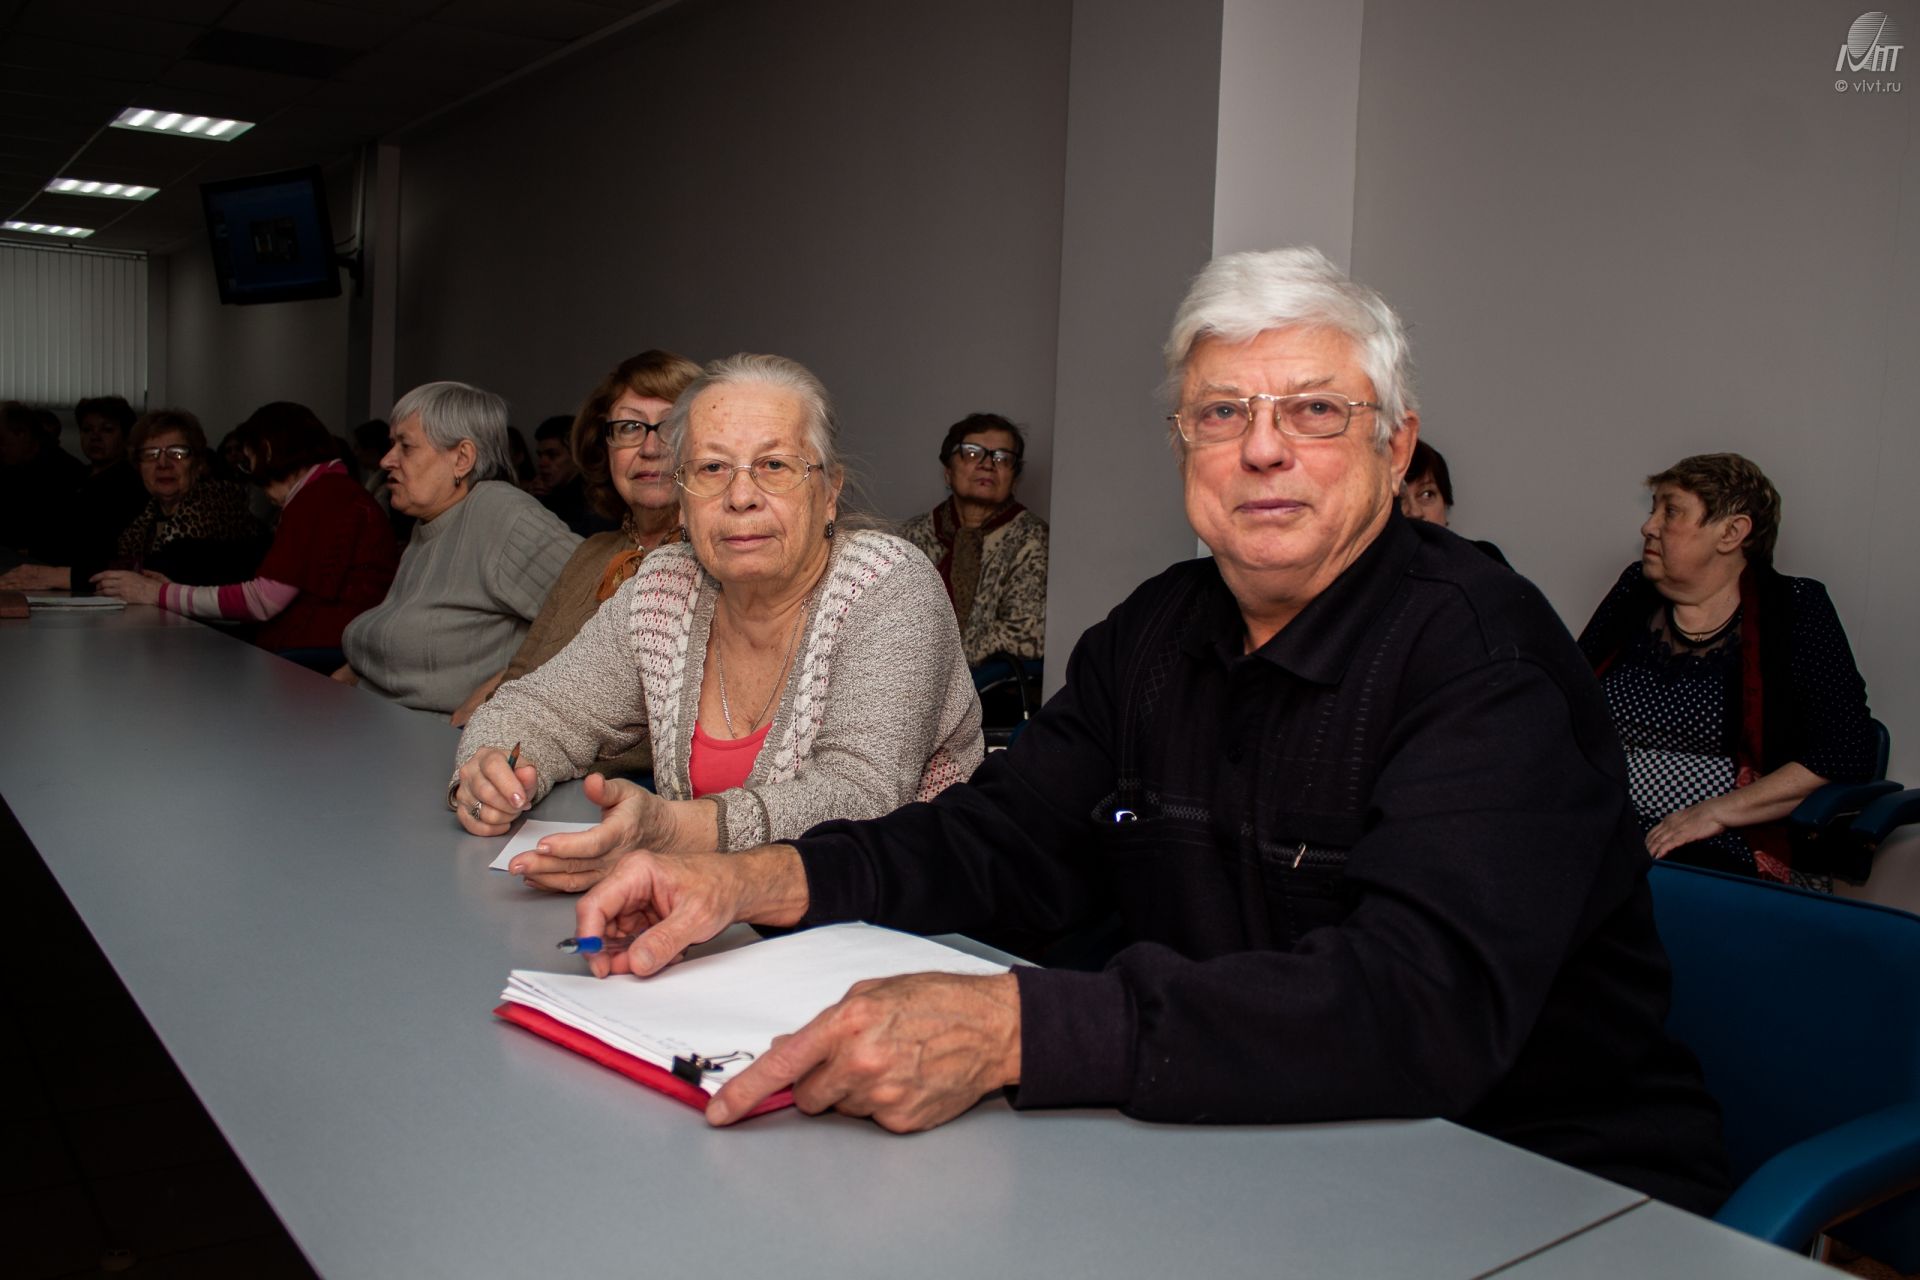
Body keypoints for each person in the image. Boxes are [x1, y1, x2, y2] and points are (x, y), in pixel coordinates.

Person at [566, 248, 1729, 1215]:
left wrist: (1014, 1028)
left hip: (1526, 1181)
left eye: (1315, 410)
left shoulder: (1485, 655)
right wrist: (755, 877)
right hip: (1237, 1147)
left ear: (1396, 447)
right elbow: (1000, 838)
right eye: (1223, 412)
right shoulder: (1155, 632)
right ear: (1184, 445)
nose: (1262, 447)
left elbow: (1417, 1001)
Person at [451, 353, 983, 895]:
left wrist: (673, 829)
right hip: (703, 910)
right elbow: (542, 707)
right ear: (682, 503)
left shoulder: (890, 585)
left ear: (829, 493)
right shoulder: (665, 586)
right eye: (711, 468)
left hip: (898, 913)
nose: (741, 497)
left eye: (774, 465)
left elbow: (863, 796)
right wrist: (493, 768)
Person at [1577, 453, 1874, 887]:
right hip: (1603, 820)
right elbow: (1564, 695)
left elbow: (1848, 749)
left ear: (1732, 533)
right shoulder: (1633, 591)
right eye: (1653, 510)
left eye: (1670, 511)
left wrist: (1714, 812)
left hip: (1723, 842)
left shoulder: (1794, 609)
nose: (1649, 526)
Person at [449, 350, 701, 760]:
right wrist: (486, 740)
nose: (650, 447)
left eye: (673, 426)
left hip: (616, 786)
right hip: (524, 767)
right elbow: (523, 672)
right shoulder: (592, 552)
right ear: (604, 447)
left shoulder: (720, 563)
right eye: (630, 427)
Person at [94, 402, 400, 672]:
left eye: (249, 460)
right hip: (322, 655)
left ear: (267, 451)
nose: (251, 474)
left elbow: (262, 600)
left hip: (310, 664)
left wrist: (159, 594)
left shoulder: (317, 498)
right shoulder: (334, 493)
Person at [336, 382, 579, 713]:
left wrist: (502, 688)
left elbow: (601, 611)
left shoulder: (499, 511)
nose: (387, 460)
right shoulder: (430, 525)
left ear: (462, 459)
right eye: (392, 445)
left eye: (405, 446)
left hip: (437, 737)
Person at [50, 409, 265, 587]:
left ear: (199, 463)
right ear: (138, 466)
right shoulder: (145, 515)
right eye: (150, 454)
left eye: (177, 453)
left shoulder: (218, 502)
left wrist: (66, 577)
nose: (163, 464)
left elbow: (172, 568)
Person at [899, 413, 1049, 667]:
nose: (987, 464)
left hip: (991, 685)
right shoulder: (911, 537)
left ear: (1014, 478)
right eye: (971, 453)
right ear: (948, 472)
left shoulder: (1031, 537)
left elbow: (1025, 633)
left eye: (1002, 458)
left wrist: (940, 668)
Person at [0, 395, 147, 592]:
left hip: (78, 575)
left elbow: (99, 545)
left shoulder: (129, 484)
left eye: (107, 430)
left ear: (125, 436)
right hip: (48, 563)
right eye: (87, 430)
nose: (95, 437)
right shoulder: (78, 477)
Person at [1398, 438, 1509, 566]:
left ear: (1445, 503)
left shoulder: (1483, 557)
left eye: (1427, 494)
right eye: (1398, 498)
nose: (1415, 512)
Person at [0, 400, 86, 562]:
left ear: (22, 434)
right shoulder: (11, 466)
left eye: (2, 441)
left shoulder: (64, 472)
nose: (0, 449)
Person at [531, 413, 615, 536]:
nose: (542, 463)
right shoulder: (549, 493)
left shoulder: (596, 498)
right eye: (540, 455)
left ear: (576, 454)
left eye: (552, 455)